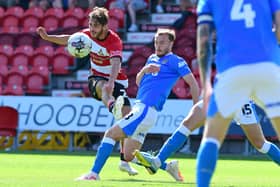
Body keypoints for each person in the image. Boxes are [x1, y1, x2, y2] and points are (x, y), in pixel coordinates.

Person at [74, 28, 200, 181]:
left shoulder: (176, 61)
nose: (158, 46)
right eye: (156, 42)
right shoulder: (152, 58)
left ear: (171, 43)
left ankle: (93, 174)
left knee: (110, 134)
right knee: (128, 155)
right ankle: (168, 166)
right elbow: (140, 82)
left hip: (146, 109)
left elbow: (193, 84)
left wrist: (195, 109)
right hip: (142, 109)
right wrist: (144, 70)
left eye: (162, 43)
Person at [36, 6, 138, 176]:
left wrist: (112, 82)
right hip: (96, 77)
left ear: (105, 26)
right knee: (103, 87)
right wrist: (48, 37)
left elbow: (115, 64)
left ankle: (124, 161)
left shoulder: (114, 40)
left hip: (116, 79)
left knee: (126, 119)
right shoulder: (87, 35)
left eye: (95, 26)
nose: (91, 29)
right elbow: (68, 39)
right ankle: (112, 106)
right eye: (90, 25)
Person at [196, 1, 280, 186]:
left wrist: (206, 85)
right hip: (269, 66)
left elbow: (203, 43)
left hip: (231, 71)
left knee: (210, 138)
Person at [134, 100, 280, 182]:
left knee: (260, 143)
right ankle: (158, 161)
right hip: (218, 94)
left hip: (240, 101)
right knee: (187, 123)